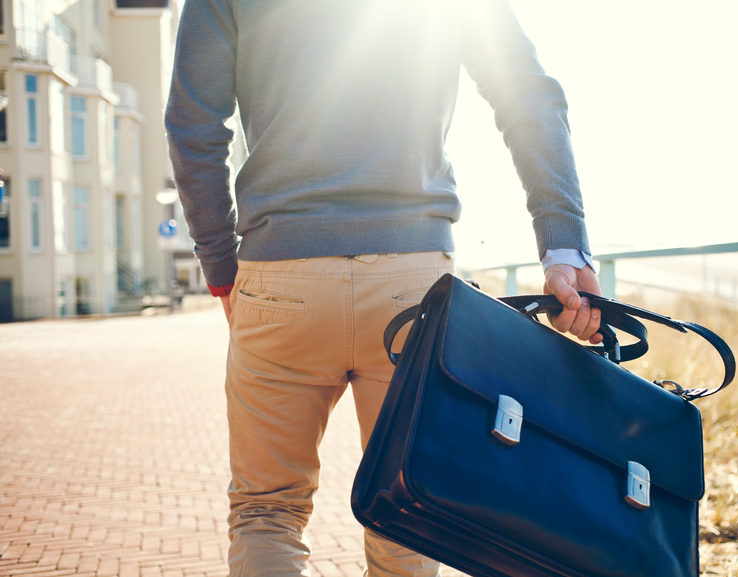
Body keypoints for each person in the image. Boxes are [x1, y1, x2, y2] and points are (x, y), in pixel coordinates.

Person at [165, 1, 603, 575]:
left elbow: (193, 126)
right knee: (410, 512)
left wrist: (221, 266)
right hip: (415, 285)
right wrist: (562, 247)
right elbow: (526, 91)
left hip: (281, 276)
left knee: (265, 514)